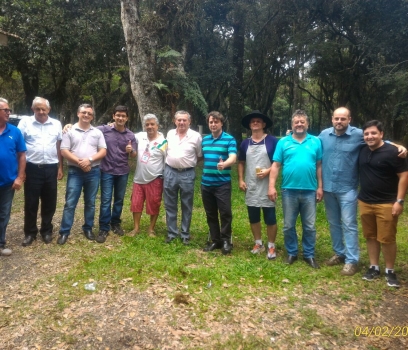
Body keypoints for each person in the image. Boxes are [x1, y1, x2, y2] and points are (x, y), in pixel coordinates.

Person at [319, 107, 407, 276]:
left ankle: (352, 260)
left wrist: (399, 146)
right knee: (333, 223)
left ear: (349, 119)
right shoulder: (324, 135)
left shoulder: (359, 134)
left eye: (343, 119)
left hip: (348, 189)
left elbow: (380, 141)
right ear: (332, 119)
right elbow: (310, 144)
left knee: (349, 224)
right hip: (328, 188)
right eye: (336, 118)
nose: (339, 122)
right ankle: (339, 253)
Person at [268, 109, 323, 269]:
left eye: (302, 122)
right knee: (288, 225)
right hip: (288, 190)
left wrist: (320, 187)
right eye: (296, 122)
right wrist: (271, 186)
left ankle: (309, 255)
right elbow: (276, 165)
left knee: (310, 226)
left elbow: (319, 165)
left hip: (310, 190)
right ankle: (291, 252)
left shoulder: (316, 142)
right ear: (292, 125)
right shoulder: (283, 142)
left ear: (307, 124)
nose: (299, 124)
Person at [358, 120, 408, 288]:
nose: (369, 136)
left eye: (373, 133)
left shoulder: (394, 152)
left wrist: (399, 201)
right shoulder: (362, 150)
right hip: (365, 201)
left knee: (387, 238)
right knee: (370, 236)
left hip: (387, 203)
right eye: (366, 134)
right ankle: (374, 267)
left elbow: (403, 177)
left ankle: (390, 270)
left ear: (381, 134)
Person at [58, 104, 107, 245]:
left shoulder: (97, 132)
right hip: (75, 172)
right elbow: (64, 151)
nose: (86, 115)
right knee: (70, 202)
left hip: (93, 171)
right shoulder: (69, 130)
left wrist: (89, 160)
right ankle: (64, 232)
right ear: (78, 113)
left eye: (89, 114)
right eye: (84, 112)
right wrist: (81, 162)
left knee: (90, 202)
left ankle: (88, 229)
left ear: (92, 116)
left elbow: (103, 151)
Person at [18, 97, 63, 246]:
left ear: (49, 110)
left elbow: (58, 146)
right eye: (38, 109)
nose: (41, 111)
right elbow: (19, 148)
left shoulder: (56, 124)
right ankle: (30, 233)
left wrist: (60, 167)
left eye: (44, 109)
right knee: (31, 202)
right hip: (32, 168)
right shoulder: (25, 123)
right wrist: (21, 171)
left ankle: (46, 231)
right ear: (33, 109)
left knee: (49, 201)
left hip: (50, 167)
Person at [238, 110, 278, 260]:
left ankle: (271, 246)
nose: (255, 123)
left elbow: (278, 162)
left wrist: (268, 171)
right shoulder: (244, 143)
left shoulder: (273, 141)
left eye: (258, 121)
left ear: (264, 124)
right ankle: (258, 243)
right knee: (253, 216)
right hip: (251, 184)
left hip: (268, 184)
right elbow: (241, 163)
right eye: (252, 121)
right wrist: (241, 179)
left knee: (270, 217)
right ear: (249, 125)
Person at [95, 106, 137, 243]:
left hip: (122, 171)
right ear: (113, 116)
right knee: (106, 200)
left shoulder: (130, 135)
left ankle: (115, 223)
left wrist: (131, 151)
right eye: (118, 115)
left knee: (119, 199)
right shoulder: (103, 130)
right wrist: (69, 125)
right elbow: (87, 130)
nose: (120, 118)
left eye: (123, 116)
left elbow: (134, 155)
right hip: (106, 170)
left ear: (127, 118)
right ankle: (103, 227)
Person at [164, 110, 202, 245]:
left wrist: (187, 164)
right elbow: (164, 150)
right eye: (179, 120)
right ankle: (172, 233)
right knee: (170, 204)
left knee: (187, 204)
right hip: (170, 172)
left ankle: (185, 234)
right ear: (175, 121)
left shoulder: (196, 136)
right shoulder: (169, 134)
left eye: (184, 120)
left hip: (187, 173)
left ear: (189, 122)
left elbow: (199, 155)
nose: (181, 122)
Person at [201, 111, 237, 254]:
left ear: (221, 123)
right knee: (210, 214)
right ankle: (216, 240)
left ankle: (226, 241)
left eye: (216, 122)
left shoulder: (229, 139)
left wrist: (225, 164)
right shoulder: (205, 140)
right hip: (206, 183)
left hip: (222, 184)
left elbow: (233, 157)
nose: (213, 124)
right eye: (211, 122)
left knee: (225, 212)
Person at [131, 114, 167, 236]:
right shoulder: (139, 137)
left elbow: (167, 160)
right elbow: (124, 134)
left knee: (154, 203)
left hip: (155, 178)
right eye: (147, 124)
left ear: (157, 126)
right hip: (138, 178)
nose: (149, 126)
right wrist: (111, 125)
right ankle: (136, 228)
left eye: (152, 124)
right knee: (136, 204)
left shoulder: (163, 142)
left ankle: (151, 229)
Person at [0, 98, 26, 256]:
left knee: (4, 213)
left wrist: (20, 177)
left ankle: (1, 243)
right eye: (6, 110)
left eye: (9, 110)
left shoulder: (15, 131)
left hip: (8, 183)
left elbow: (22, 155)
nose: (9, 113)